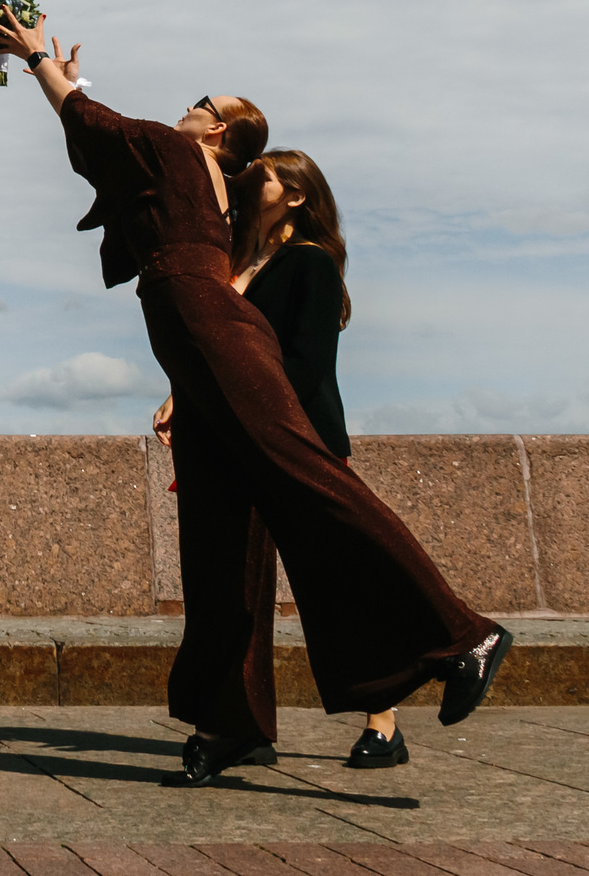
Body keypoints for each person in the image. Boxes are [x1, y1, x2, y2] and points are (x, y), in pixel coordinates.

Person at [0, 8, 509, 787]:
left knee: (309, 473)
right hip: (193, 340)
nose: (189, 105)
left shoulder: (176, 150)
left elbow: (93, 123)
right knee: (220, 537)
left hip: (202, 320)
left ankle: (464, 636)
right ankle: (233, 723)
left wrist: (37, 62)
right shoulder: (209, 190)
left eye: (205, 102)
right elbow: (104, 156)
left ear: (218, 132)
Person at [152, 148, 408, 769]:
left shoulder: (310, 265)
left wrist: (243, 409)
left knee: (334, 582)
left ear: (295, 196)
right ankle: (240, 724)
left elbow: (306, 364)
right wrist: (182, 395)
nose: (250, 181)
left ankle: (385, 720)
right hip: (234, 443)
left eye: (263, 176)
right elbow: (224, 350)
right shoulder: (238, 260)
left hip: (298, 440)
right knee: (233, 588)